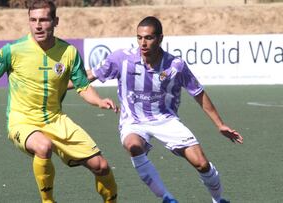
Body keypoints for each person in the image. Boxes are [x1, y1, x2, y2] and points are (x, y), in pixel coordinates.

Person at [86, 16, 243, 203]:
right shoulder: (122, 58)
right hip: (134, 121)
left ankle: (218, 199)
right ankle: (167, 198)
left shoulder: (176, 65)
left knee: (201, 164)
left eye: (149, 38)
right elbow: (90, 75)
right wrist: (59, 82)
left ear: (160, 38)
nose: (143, 43)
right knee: (133, 146)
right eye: (139, 37)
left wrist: (220, 124)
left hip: (166, 120)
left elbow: (198, 93)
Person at [0, 1, 118, 202]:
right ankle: (48, 201)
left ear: (55, 21)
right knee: (43, 146)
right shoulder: (12, 50)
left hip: (56, 120)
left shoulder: (68, 52)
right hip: (22, 121)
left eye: (43, 20)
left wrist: (99, 101)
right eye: (33, 20)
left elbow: (82, 86)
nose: (38, 25)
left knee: (100, 166)